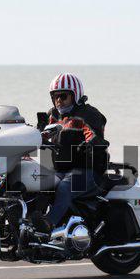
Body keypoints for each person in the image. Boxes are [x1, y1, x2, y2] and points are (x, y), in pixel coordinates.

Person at [33, 73, 110, 233]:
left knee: (64, 187)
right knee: (39, 183)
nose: (59, 100)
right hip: (62, 170)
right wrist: (29, 138)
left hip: (88, 171)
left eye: (63, 96)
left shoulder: (88, 114)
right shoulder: (53, 115)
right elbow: (42, 134)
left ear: (76, 96)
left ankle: (49, 223)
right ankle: (30, 222)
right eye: (55, 96)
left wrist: (90, 143)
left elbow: (93, 134)